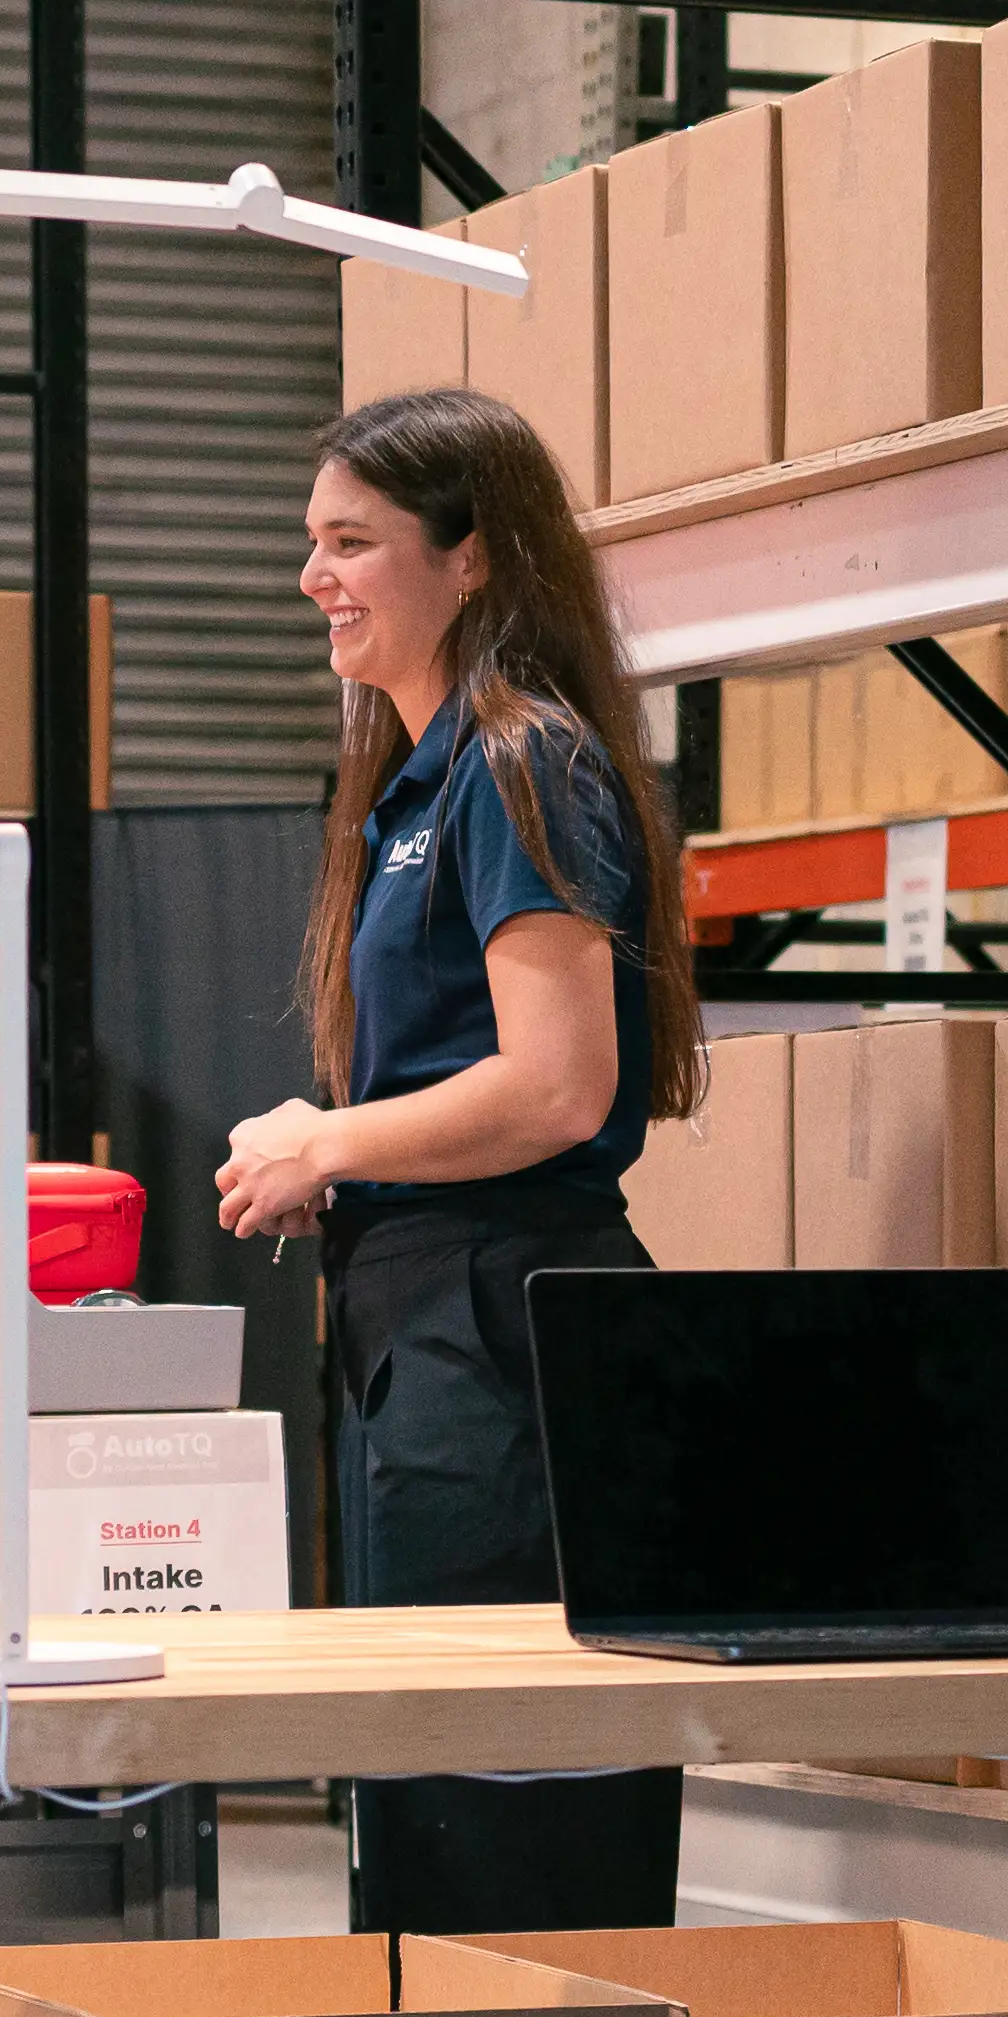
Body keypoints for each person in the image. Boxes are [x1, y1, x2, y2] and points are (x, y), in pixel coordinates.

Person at [216, 386, 707, 1933]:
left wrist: (330, 1137)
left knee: (510, 1818)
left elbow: (560, 1086)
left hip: (508, 1334)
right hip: (429, 1328)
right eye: (312, 543)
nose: (318, 578)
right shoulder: (416, 782)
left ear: (475, 554)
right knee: (427, 1795)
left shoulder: (518, 761)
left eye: (353, 542)